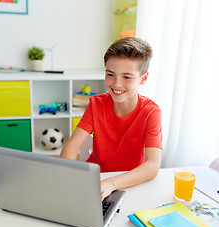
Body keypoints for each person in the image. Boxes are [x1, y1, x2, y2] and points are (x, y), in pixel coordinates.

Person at [60, 37, 162, 200]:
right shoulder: (96, 104)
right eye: (110, 74)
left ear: (143, 78)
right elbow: (72, 146)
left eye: (127, 77)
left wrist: (111, 183)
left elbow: (152, 166)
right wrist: (68, 175)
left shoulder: (150, 112)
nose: (116, 84)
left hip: (130, 182)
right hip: (96, 180)